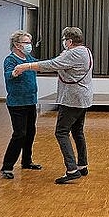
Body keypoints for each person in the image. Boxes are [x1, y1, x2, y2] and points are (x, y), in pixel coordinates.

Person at [12, 26, 94, 184]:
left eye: (64, 40)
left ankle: (71, 170)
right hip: (82, 99)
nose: (63, 42)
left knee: (61, 132)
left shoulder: (74, 53)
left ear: (69, 41)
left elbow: (53, 64)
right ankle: (82, 165)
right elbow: (60, 62)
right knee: (77, 132)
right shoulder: (84, 51)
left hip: (72, 100)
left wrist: (26, 66)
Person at [0, 30, 41, 179]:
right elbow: (9, 75)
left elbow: (40, 65)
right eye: (26, 43)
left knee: (30, 132)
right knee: (19, 134)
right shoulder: (10, 60)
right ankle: (7, 167)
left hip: (31, 100)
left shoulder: (29, 58)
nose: (29, 45)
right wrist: (16, 72)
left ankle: (27, 161)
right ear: (17, 45)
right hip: (17, 103)